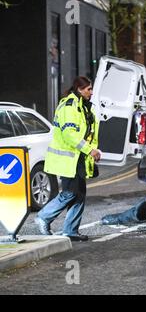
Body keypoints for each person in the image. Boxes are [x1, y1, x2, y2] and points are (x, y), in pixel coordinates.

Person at [34, 76, 101, 241]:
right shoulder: (70, 106)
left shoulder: (83, 107)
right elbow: (69, 134)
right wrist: (89, 150)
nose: (91, 92)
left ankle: (70, 230)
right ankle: (43, 217)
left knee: (79, 194)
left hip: (78, 158)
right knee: (70, 193)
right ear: (79, 89)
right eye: (88, 89)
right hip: (68, 158)